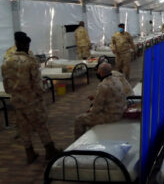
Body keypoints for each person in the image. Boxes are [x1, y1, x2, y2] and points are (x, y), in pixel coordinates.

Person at [1, 34, 61, 164]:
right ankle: (49, 150)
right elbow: (37, 84)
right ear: (26, 45)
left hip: (17, 100)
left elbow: (6, 85)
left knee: (23, 127)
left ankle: (29, 152)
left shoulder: (6, 61)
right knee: (41, 125)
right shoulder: (30, 62)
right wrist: (40, 95)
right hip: (32, 100)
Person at [74, 63, 127, 139]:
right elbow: (110, 95)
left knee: (79, 120)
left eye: (98, 71)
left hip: (111, 116)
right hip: (121, 110)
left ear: (101, 73)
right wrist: (95, 97)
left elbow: (96, 109)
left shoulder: (103, 85)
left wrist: (90, 110)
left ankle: (78, 144)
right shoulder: (117, 79)